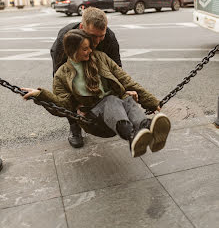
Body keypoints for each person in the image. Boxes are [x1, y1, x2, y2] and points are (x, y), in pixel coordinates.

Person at [22, 30, 171, 158]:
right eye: (85, 49)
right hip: (93, 118)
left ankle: (148, 130)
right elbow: (64, 105)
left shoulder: (100, 58)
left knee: (127, 99)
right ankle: (132, 136)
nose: (90, 51)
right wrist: (40, 95)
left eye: (89, 47)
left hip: (115, 107)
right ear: (73, 51)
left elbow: (125, 80)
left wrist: (152, 102)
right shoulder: (62, 75)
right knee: (111, 100)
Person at [50, 7, 122, 149]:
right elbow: (61, 80)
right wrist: (75, 106)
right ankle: (75, 128)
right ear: (82, 27)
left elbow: (117, 69)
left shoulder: (109, 38)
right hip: (72, 68)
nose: (97, 41)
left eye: (101, 36)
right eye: (93, 36)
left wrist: (121, 93)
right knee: (74, 88)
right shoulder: (65, 39)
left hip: (96, 67)